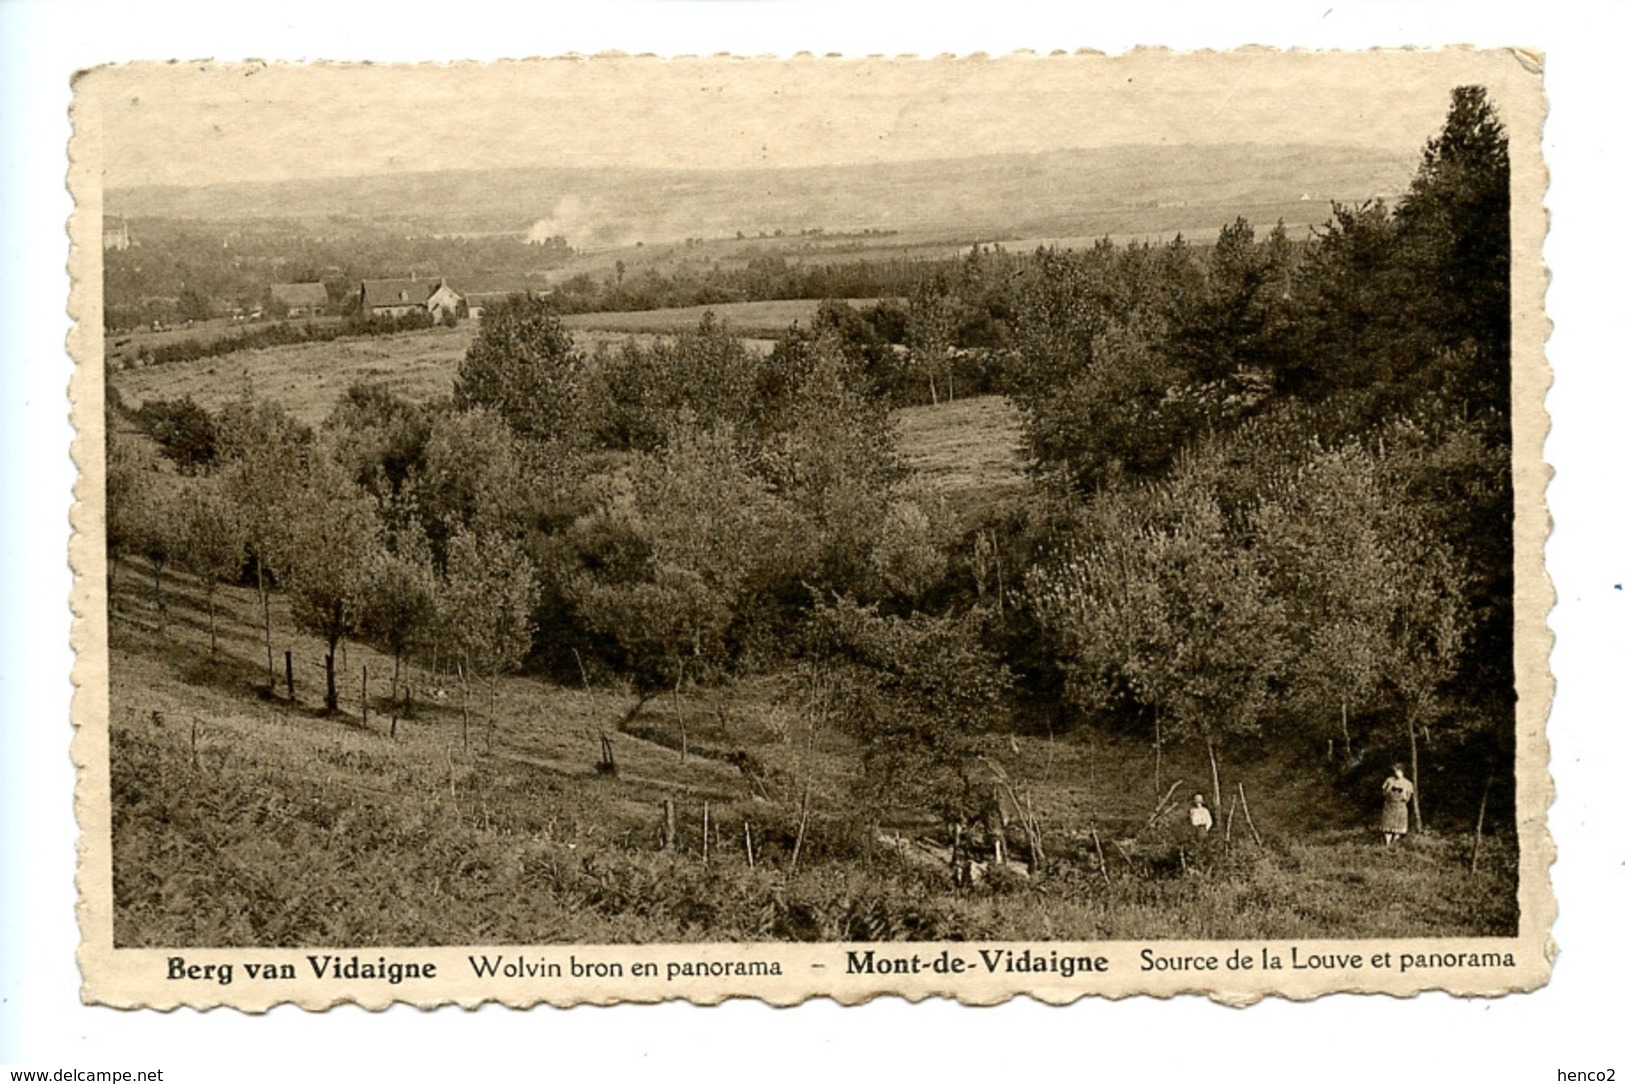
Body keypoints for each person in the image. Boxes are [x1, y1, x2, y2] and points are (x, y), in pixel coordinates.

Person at [1381, 764, 1414, 846]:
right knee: (1387, 827)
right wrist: (1388, 792)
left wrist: (1404, 796)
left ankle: (1393, 844)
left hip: (1400, 807)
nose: (1397, 773)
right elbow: (1384, 792)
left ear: (1402, 772)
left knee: (1398, 828)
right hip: (1389, 806)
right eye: (1395, 771)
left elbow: (1408, 797)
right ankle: (1387, 845)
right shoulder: (1389, 780)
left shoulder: (1407, 783)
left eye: (1398, 771)